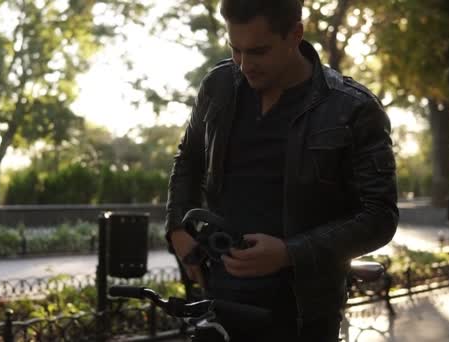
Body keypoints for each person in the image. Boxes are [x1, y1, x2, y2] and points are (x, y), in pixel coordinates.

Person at [164, 0, 398, 340]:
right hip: (221, 302)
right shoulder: (218, 86)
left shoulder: (354, 108)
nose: (244, 65)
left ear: (295, 34)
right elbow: (188, 159)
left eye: (258, 52)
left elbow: (380, 217)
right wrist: (177, 228)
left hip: (305, 312)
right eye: (235, 50)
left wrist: (290, 253)